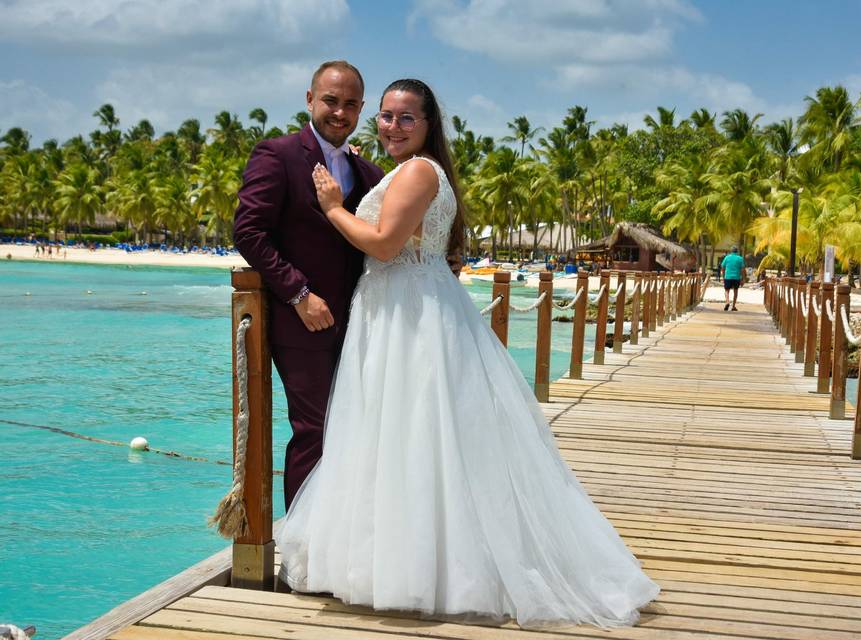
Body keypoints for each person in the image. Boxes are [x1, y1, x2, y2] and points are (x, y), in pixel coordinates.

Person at [276, 79, 659, 627]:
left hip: (406, 310)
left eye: (407, 118)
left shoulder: (419, 171)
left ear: (429, 124)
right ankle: (402, 560)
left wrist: (334, 207)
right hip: (405, 304)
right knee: (408, 434)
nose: (393, 126)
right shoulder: (412, 171)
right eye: (385, 116)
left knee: (409, 431)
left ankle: (416, 568)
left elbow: (384, 243)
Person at [233, 61, 386, 509]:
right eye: (331, 102)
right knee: (313, 431)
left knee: (355, 429)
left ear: (361, 109)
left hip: (361, 323)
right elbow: (249, 231)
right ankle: (299, 549)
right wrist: (299, 294)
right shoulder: (277, 154)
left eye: (351, 105)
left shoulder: (370, 173)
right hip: (302, 325)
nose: (340, 113)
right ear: (309, 100)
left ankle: (339, 542)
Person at [720, 246, 745, 311]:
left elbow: (722, 267)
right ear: (737, 251)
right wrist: (743, 279)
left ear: (731, 251)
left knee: (726, 290)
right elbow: (742, 269)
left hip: (728, 276)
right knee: (735, 291)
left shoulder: (727, 257)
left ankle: (727, 302)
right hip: (736, 277)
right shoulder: (740, 258)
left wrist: (723, 276)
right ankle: (733, 306)